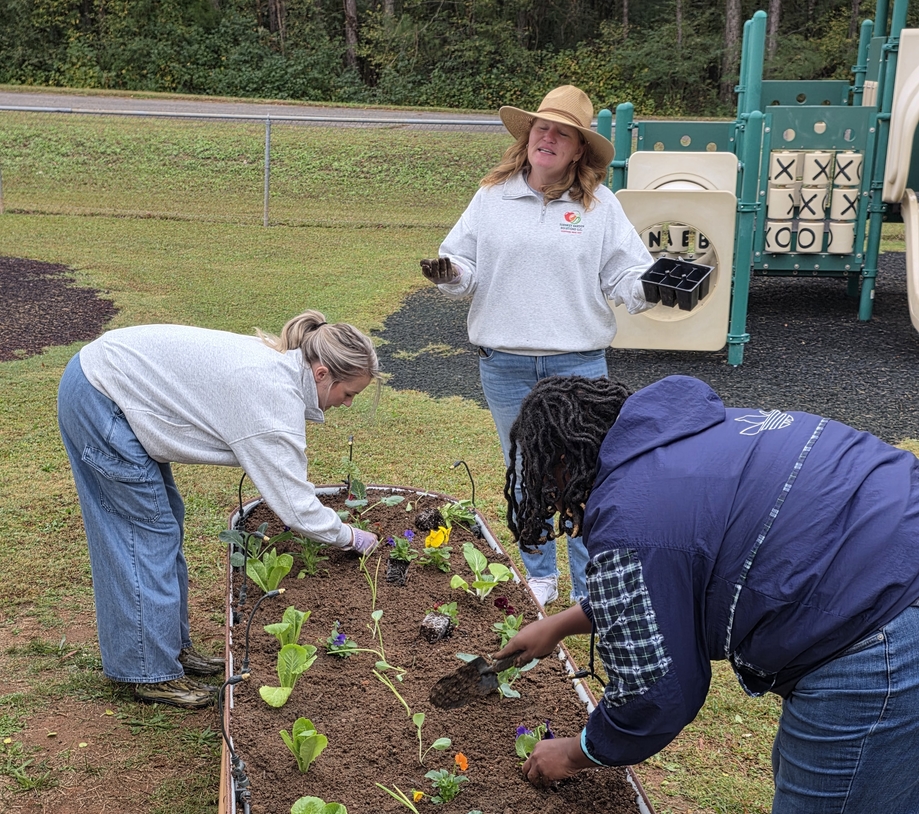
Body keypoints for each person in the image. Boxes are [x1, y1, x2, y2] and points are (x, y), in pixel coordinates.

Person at [495, 373, 919, 814]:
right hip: (891, 567)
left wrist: (579, 751)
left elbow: (658, 690)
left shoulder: (631, 508)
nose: (552, 494)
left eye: (544, 476)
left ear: (562, 459)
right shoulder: (681, 438)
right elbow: (681, 559)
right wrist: (558, 623)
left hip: (880, 628)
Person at [58, 310, 381, 709]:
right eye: (348, 393)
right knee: (142, 533)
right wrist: (350, 537)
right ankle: (150, 672)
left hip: (110, 380)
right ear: (322, 373)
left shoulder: (283, 367)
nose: (347, 404)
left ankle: (169, 650)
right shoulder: (272, 400)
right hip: (101, 396)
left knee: (161, 522)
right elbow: (296, 508)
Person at [419, 84, 653, 610]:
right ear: (528, 138)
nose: (547, 137)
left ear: (578, 150)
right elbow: (462, 265)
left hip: (578, 366)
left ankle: (590, 587)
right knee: (526, 468)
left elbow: (628, 277)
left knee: (583, 473)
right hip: (504, 366)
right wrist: (450, 273)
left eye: (561, 133)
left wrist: (655, 288)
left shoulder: (600, 207)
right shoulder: (491, 198)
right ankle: (539, 575)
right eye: (541, 128)